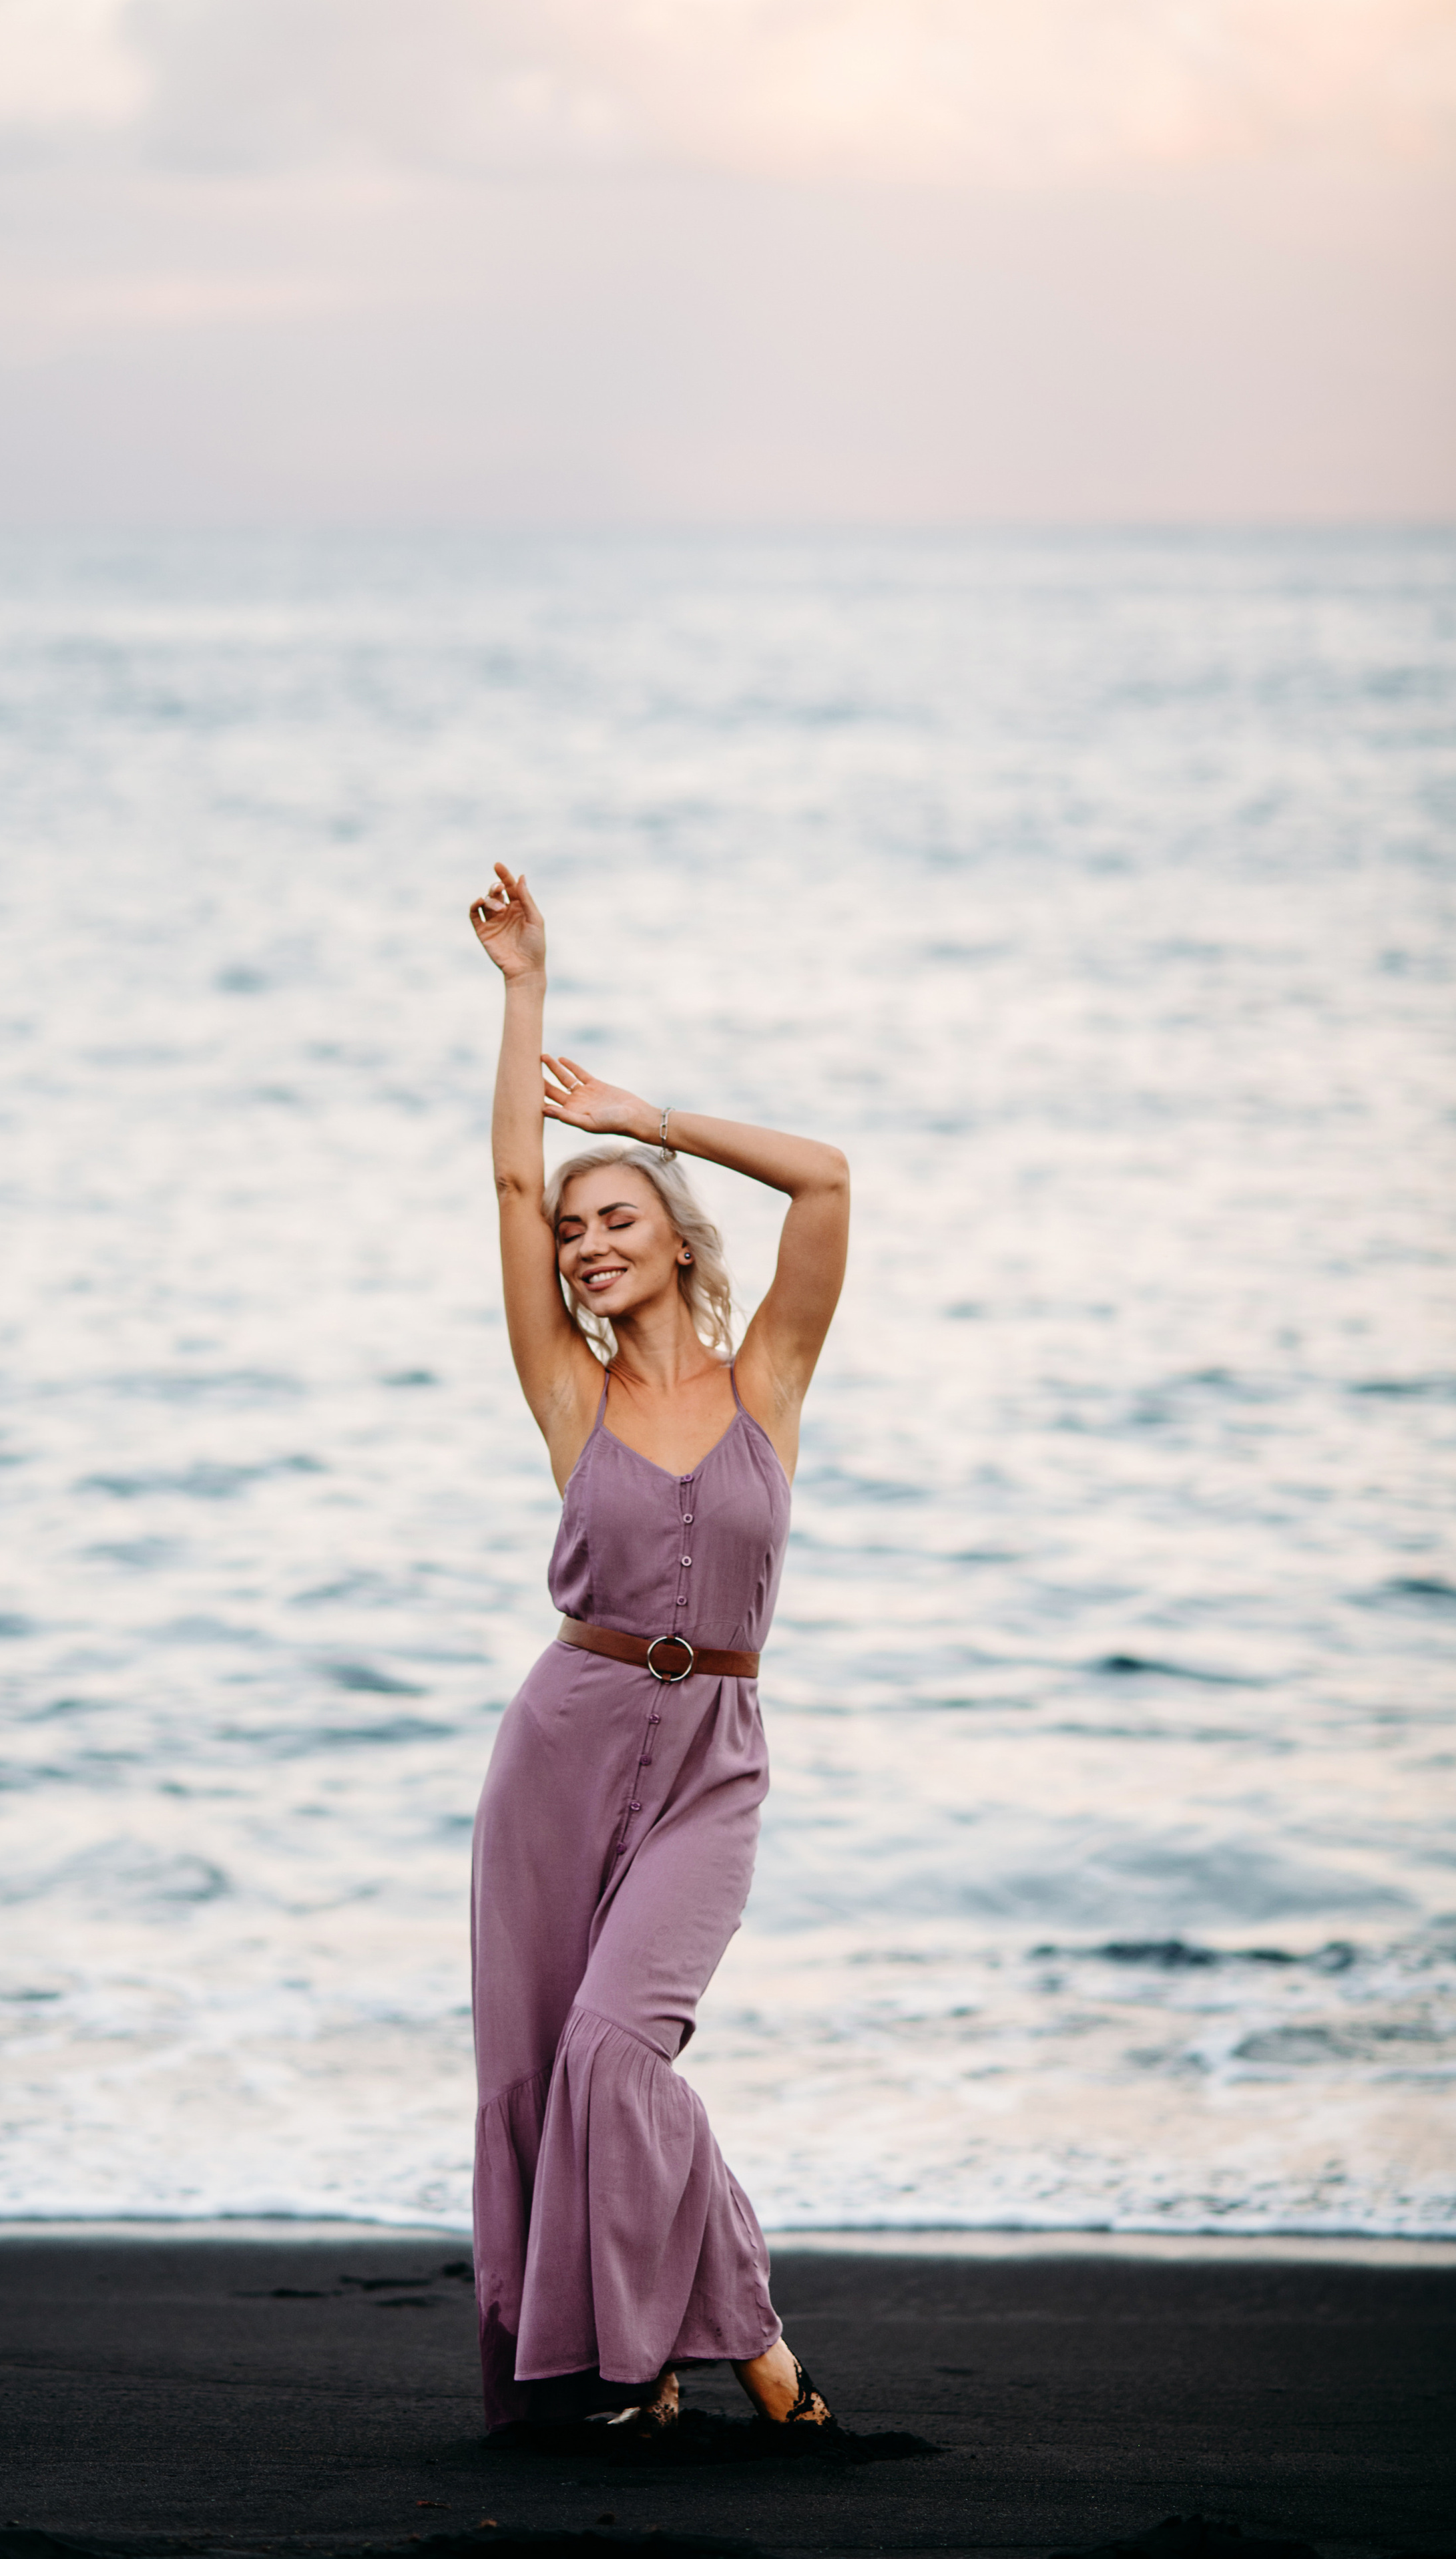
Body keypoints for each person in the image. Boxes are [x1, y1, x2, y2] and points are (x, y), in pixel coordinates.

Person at [466, 862, 851, 2439]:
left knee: (617, 2055)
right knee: (540, 2076)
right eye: (572, 1232)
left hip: (714, 1767)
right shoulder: (573, 1395)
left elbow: (824, 1183)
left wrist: (646, 1115)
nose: (581, 1245)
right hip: (564, 1745)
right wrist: (521, 994)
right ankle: (618, 2378)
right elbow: (505, 1188)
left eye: (612, 1219)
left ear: (677, 1242)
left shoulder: (769, 1376)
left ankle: (734, 2330)